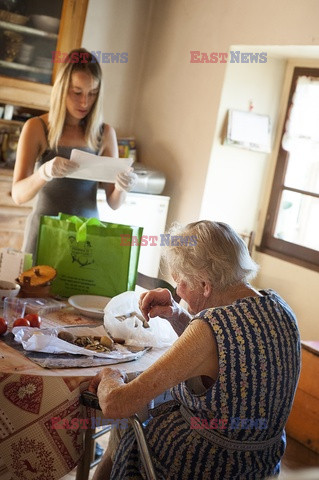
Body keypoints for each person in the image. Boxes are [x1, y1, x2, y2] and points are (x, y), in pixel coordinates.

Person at [89, 220, 301, 480]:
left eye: (180, 283)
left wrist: (111, 376)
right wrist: (176, 315)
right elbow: (226, 354)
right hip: (260, 465)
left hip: (201, 465)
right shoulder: (280, 309)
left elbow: (116, 404)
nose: (177, 292)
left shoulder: (211, 326)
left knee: (127, 423)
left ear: (204, 285)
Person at [12, 47, 137, 260]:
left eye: (93, 93)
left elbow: (114, 203)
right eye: (77, 92)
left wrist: (123, 186)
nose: (85, 102)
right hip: (43, 235)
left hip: (85, 238)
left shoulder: (105, 134)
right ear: (62, 89)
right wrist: (44, 173)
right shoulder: (36, 127)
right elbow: (18, 195)